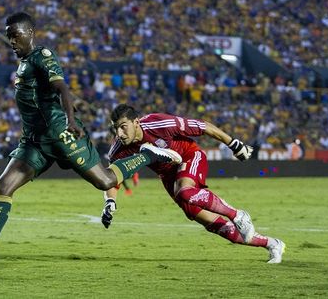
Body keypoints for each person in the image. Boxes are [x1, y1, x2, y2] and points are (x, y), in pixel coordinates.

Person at [0, 12, 182, 270]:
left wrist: (71, 121)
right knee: (3, 187)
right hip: (34, 140)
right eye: (9, 36)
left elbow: (62, 88)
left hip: (61, 134)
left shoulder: (43, 56)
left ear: (30, 33)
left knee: (105, 181)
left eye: (15, 35)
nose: (11, 41)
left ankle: (149, 154)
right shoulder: (24, 63)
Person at [101, 104, 285, 264]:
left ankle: (238, 215)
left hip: (190, 156)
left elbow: (203, 126)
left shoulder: (160, 123)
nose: (119, 133)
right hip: (168, 176)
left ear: (136, 122)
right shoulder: (118, 149)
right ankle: (272, 244)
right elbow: (112, 177)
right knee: (213, 225)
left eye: (123, 127)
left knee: (185, 192)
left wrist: (234, 144)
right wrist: (110, 202)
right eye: (115, 129)